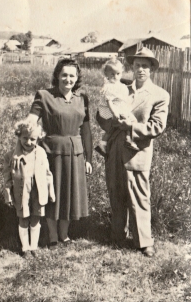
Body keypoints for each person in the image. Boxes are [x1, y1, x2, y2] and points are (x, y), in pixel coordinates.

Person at [96, 47, 170, 257]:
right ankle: (117, 234)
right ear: (132, 67)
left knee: (139, 196)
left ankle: (144, 241)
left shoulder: (159, 95)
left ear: (152, 69)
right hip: (114, 149)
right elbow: (100, 115)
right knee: (116, 192)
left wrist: (131, 126)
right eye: (137, 65)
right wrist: (112, 122)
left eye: (145, 66)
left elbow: (156, 126)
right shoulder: (120, 88)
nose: (140, 70)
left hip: (137, 153)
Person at [26, 59, 93, 249]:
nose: (68, 79)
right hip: (51, 153)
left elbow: (86, 131)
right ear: (57, 75)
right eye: (64, 74)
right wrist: (28, 131)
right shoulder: (44, 95)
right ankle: (53, 235)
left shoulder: (83, 99)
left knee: (69, 193)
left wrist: (89, 158)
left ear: (77, 78)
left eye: (72, 75)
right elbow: (31, 120)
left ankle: (64, 234)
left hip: (75, 152)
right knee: (51, 192)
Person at [3, 120, 55, 257]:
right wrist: (8, 195)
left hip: (38, 191)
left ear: (38, 138)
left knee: (36, 218)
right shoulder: (11, 156)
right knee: (23, 218)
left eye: (33, 139)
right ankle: (25, 248)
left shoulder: (41, 153)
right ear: (19, 136)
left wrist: (51, 191)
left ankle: (34, 247)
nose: (29, 142)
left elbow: (48, 174)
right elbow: (7, 179)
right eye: (25, 138)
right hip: (21, 193)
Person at [95, 58, 139, 157]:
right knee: (116, 125)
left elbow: (122, 98)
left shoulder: (120, 85)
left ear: (121, 73)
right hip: (110, 110)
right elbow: (109, 101)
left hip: (119, 107)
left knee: (132, 121)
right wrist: (115, 113)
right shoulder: (109, 86)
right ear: (106, 74)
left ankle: (128, 138)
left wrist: (130, 97)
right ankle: (103, 143)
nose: (115, 76)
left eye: (118, 74)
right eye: (112, 74)